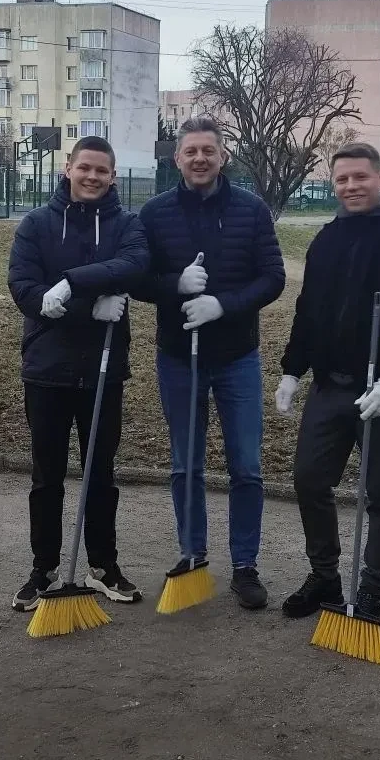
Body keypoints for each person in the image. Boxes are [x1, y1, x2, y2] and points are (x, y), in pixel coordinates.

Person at [275, 143, 380, 622]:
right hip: (330, 386)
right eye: (342, 179)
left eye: (360, 177)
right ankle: (325, 576)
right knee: (309, 479)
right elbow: (308, 311)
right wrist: (292, 369)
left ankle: (371, 589)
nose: (351, 186)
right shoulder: (327, 240)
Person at [136, 117, 285, 609]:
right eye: (190, 151)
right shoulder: (154, 214)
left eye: (208, 150)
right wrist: (174, 285)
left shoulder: (251, 210)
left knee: (247, 466)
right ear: (177, 158)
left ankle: (245, 565)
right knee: (186, 466)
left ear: (223, 156)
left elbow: (272, 278)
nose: (199, 158)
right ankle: (192, 555)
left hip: (238, 357)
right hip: (179, 358)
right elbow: (137, 278)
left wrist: (223, 304)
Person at [7, 137, 150, 612]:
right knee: (47, 476)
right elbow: (24, 287)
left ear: (112, 176)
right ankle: (43, 567)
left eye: (101, 170)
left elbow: (134, 264)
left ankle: (103, 565)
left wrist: (71, 283)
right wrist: (88, 307)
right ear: (68, 168)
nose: (92, 176)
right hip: (46, 369)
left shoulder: (126, 223)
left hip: (103, 370)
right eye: (84, 167)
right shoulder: (36, 223)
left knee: (100, 476)